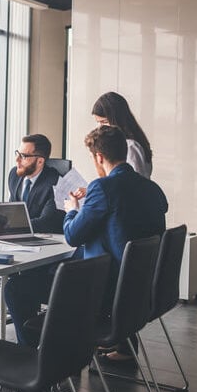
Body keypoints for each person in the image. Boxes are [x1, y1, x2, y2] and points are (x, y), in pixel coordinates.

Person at [62, 125, 167, 362]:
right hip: (142, 285)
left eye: (93, 158)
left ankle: (57, 360)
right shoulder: (151, 188)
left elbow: (72, 236)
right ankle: (121, 344)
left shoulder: (102, 187)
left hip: (109, 288)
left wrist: (71, 211)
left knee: (33, 285)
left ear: (99, 157)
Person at [0, 134, 65, 346]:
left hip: (45, 244)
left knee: (20, 287)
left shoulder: (55, 182)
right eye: (18, 154)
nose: (17, 160)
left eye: (24, 156)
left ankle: (30, 342)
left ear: (40, 160)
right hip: (16, 239)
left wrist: (4, 225)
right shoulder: (15, 175)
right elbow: (13, 208)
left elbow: (47, 221)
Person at [91, 92, 154, 179]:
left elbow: (135, 186)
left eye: (104, 122)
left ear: (117, 120)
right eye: (98, 123)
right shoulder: (121, 144)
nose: (100, 128)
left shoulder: (131, 147)